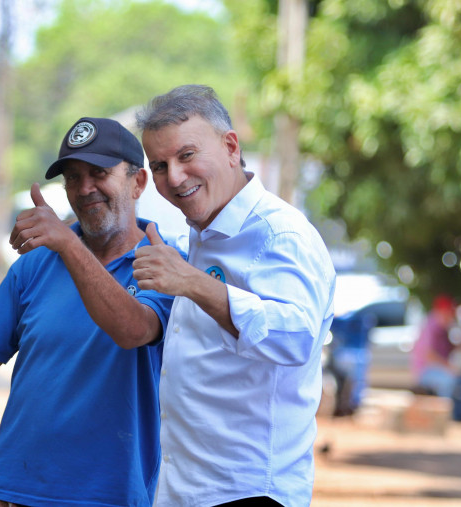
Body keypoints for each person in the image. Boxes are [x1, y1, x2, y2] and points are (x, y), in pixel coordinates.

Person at [0, 117, 179, 506]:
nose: (85, 189)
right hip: (17, 492)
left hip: (111, 497)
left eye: (99, 173)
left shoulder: (166, 265)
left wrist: (68, 245)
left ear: (138, 183)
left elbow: (132, 329)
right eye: (72, 177)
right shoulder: (35, 266)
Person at [128, 84, 336, 507]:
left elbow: (295, 336)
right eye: (161, 165)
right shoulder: (202, 233)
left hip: (248, 492)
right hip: (185, 490)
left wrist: (191, 282)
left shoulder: (280, 233)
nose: (175, 177)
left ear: (230, 147)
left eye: (187, 156)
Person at [410, 294, 461, 420]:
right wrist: (448, 368)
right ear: (441, 311)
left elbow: (451, 348)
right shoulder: (431, 326)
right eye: (448, 312)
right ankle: (445, 418)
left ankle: (460, 417)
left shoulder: (445, 329)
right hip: (426, 371)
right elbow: (429, 355)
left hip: (441, 369)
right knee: (448, 381)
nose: (450, 316)